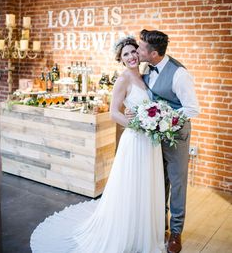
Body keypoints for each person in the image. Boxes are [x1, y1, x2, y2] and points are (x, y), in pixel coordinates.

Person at [30, 36, 165, 253]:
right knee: (132, 187)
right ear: (120, 60)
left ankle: (145, 232)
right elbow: (113, 114)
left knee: (146, 186)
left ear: (139, 54)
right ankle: (128, 234)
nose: (131, 57)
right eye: (125, 54)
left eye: (133, 52)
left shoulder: (146, 76)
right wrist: (136, 124)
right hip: (135, 140)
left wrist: (155, 119)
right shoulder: (123, 80)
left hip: (151, 142)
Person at [136, 29, 200, 253]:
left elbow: (192, 108)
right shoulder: (146, 66)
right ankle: (159, 225)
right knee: (157, 179)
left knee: (177, 182)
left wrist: (166, 119)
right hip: (155, 134)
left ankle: (175, 232)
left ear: (153, 53)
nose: (138, 49)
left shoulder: (179, 73)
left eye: (141, 47)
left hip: (177, 135)